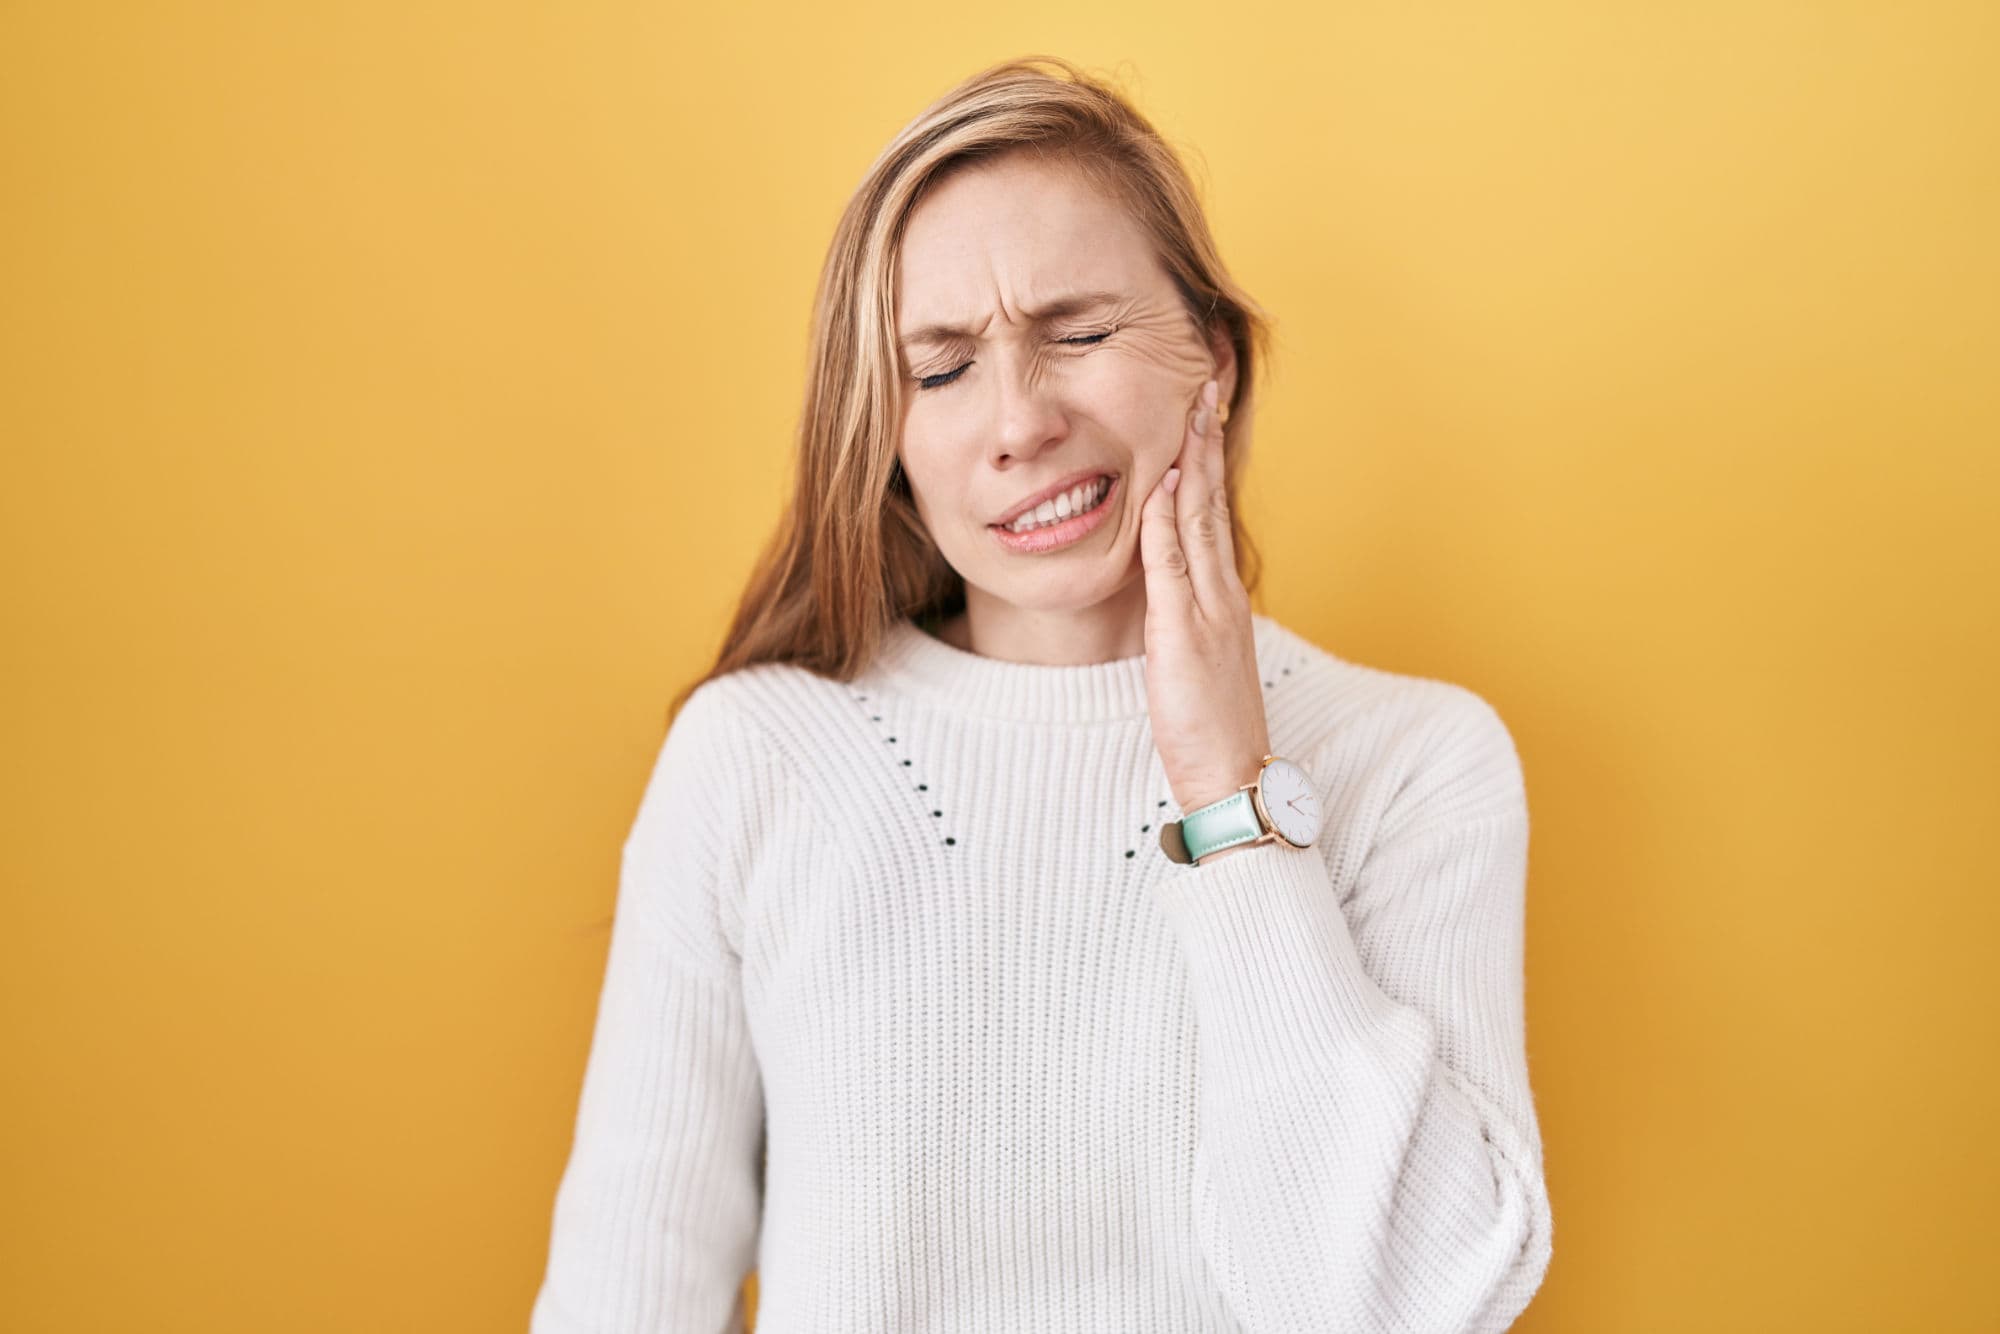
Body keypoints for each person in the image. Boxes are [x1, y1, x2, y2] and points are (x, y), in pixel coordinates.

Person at [529, 54, 1552, 1334]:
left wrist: (1229, 791)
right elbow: (625, 1297)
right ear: (884, 434)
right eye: (940, 367)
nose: (1018, 421)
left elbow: (1398, 1301)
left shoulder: (1414, 761)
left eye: (1075, 332)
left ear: (1212, 363)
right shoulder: (758, 756)